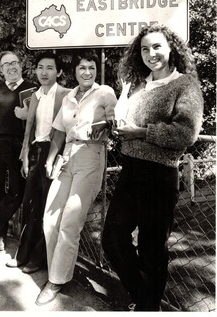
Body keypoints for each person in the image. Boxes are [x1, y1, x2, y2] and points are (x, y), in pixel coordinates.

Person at [101, 24, 204, 311]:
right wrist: (116, 128)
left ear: (171, 48)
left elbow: (186, 133)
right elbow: (127, 124)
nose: (151, 54)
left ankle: (147, 307)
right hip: (131, 170)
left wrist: (141, 133)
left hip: (160, 174)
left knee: (151, 250)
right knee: (112, 238)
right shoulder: (137, 86)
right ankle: (144, 299)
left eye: (157, 46)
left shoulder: (185, 85)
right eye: (145, 49)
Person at [35, 49, 117, 305]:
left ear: (96, 71)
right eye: (82, 67)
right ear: (75, 71)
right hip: (67, 157)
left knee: (70, 221)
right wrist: (50, 160)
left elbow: (115, 119)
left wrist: (109, 124)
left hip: (91, 154)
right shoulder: (70, 96)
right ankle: (58, 271)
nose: (87, 72)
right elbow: (59, 131)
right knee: (50, 219)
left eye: (91, 68)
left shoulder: (105, 92)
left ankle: (56, 281)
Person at [6, 52, 70, 273]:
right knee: (29, 204)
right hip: (34, 152)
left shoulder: (66, 95)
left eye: (50, 68)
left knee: (47, 209)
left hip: (54, 154)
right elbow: (29, 130)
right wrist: (25, 156)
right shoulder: (34, 96)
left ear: (59, 72)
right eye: (40, 67)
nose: (44, 72)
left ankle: (39, 258)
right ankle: (22, 255)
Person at [0, 51, 36, 251]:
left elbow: (41, 121)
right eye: (6, 64)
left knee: (17, 191)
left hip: (19, 147)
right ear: (1, 69)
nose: (11, 67)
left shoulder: (32, 90)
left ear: (21, 65)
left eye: (14, 62)